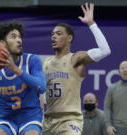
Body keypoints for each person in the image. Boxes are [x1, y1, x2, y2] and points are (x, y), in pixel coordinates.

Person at [42, 3, 111, 135]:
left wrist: (92, 24)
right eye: (52, 34)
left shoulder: (75, 58)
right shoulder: (46, 62)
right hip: (48, 120)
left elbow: (105, 50)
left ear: (69, 38)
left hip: (70, 120)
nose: (53, 36)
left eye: (58, 33)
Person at [0, 21, 46, 135]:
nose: (19, 40)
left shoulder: (31, 60)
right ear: (2, 43)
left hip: (30, 117)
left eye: (19, 37)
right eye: (13, 37)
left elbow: (41, 87)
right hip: (6, 118)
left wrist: (15, 69)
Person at [104, 61, 127, 135]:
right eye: (122, 68)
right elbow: (107, 108)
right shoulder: (112, 88)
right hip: (118, 129)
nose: (125, 70)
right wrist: (108, 125)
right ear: (119, 72)